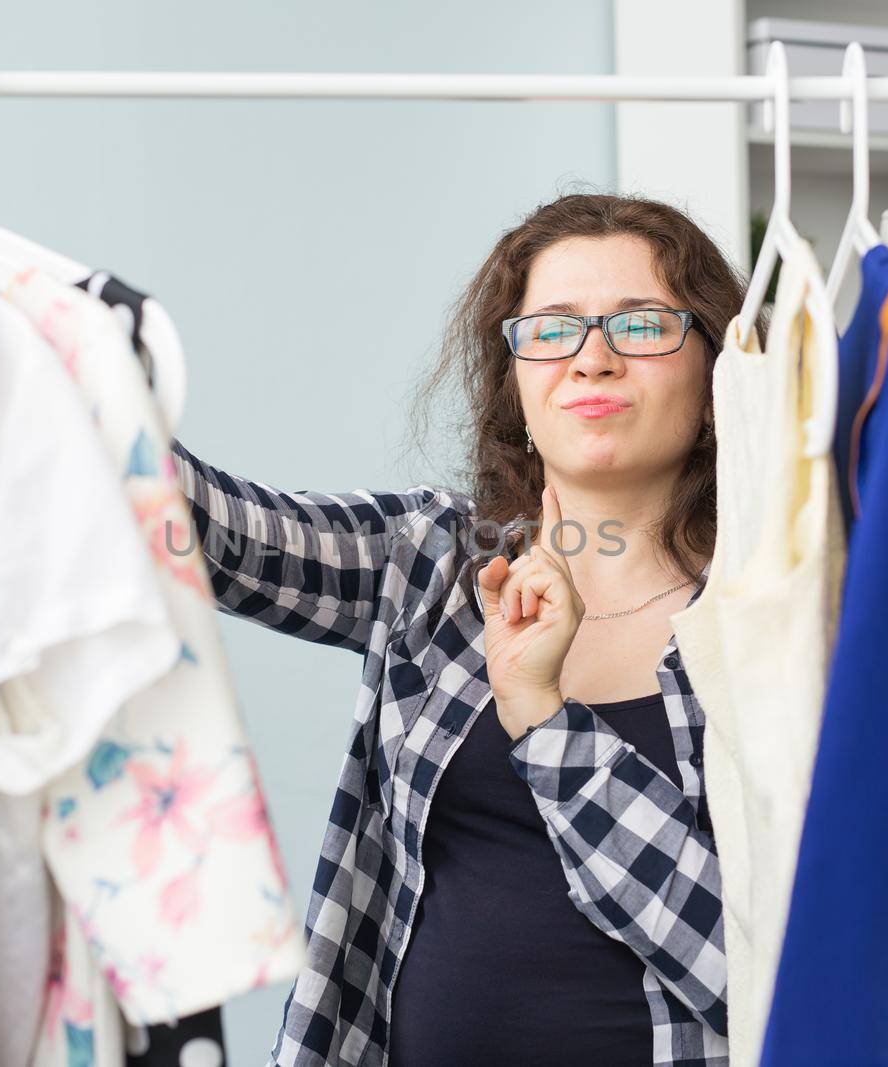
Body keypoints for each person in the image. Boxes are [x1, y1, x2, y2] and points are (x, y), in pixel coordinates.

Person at [169, 192, 754, 1067]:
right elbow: (204, 530)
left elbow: (754, 975)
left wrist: (546, 724)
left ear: (717, 380)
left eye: (640, 325)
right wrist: (66, 350)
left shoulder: (772, 618)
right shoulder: (434, 565)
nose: (592, 360)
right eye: (552, 330)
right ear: (515, 387)